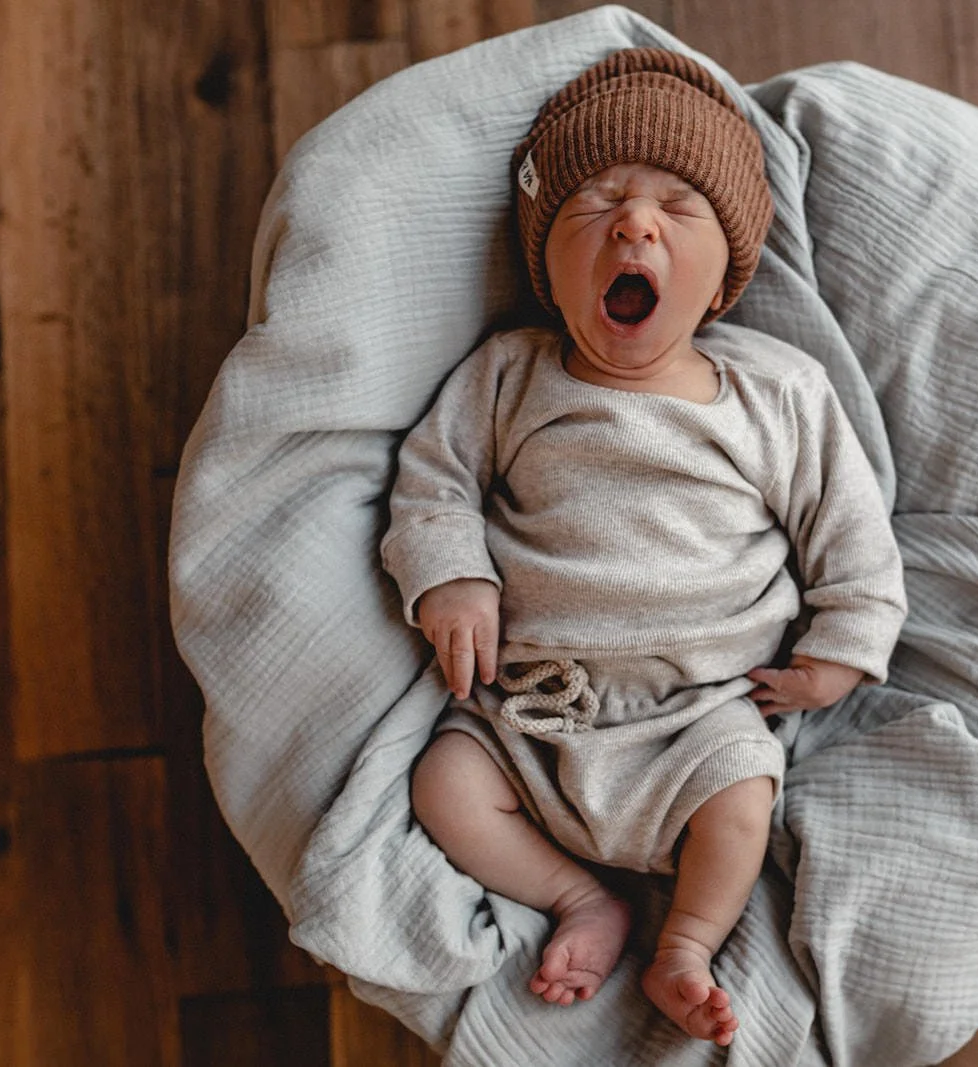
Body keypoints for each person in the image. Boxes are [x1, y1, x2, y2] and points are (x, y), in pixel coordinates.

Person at [380, 48, 907, 1048]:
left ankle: (688, 944)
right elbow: (432, 477)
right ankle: (583, 899)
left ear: (721, 282)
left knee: (744, 797)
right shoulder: (509, 375)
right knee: (442, 786)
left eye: (678, 208)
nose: (634, 223)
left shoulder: (775, 391)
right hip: (532, 709)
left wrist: (842, 647)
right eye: (596, 206)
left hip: (697, 717)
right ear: (545, 270)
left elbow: (850, 530)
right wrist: (450, 574)